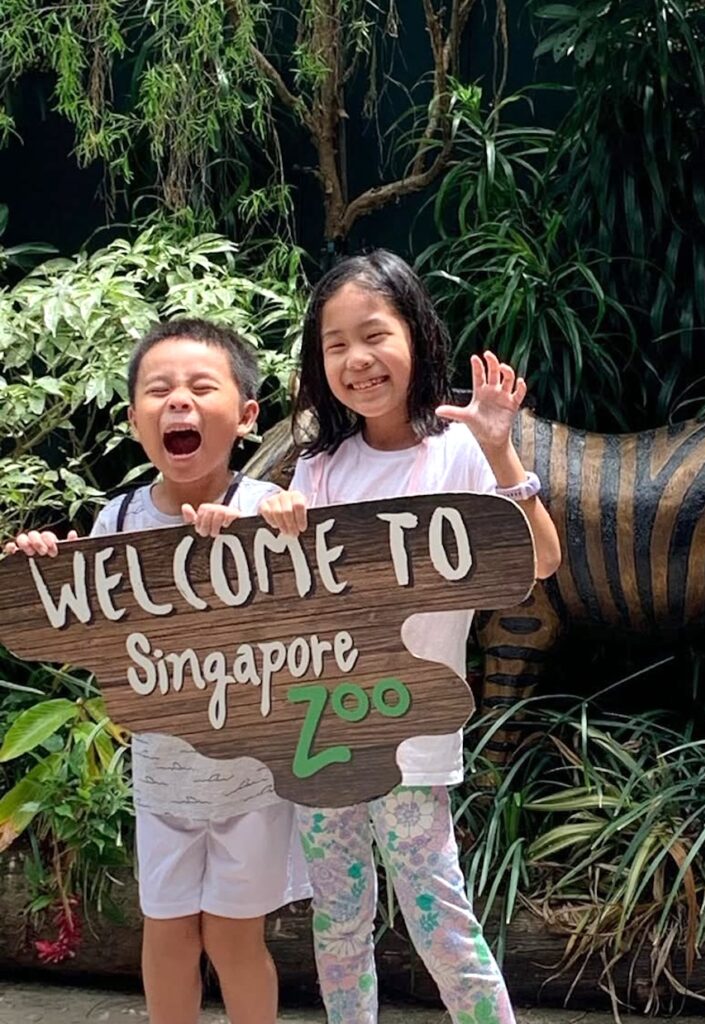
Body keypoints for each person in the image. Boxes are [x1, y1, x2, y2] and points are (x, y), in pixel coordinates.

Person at [258, 249, 561, 1024]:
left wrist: (500, 451)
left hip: (409, 731)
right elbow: (284, 599)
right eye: (335, 344)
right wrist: (281, 526)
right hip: (318, 730)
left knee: (439, 916)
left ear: (417, 338)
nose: (357, 360)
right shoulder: (320, 468)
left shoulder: (460, 450)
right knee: (338, 919)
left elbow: (540, 560)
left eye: (374, 334)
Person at [5, 318, 309, 1024]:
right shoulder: (117, 520)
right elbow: (81, 630)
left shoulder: (265, 507)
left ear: (246, 416)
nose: (179, 402)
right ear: (135, 417)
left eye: (203, 387)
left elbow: (312, 603)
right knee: (167, 932)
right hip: (162, 774)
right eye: (159, 390)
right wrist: (43, 570)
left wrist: (287, 518)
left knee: (235, 937)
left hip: (253, 780)